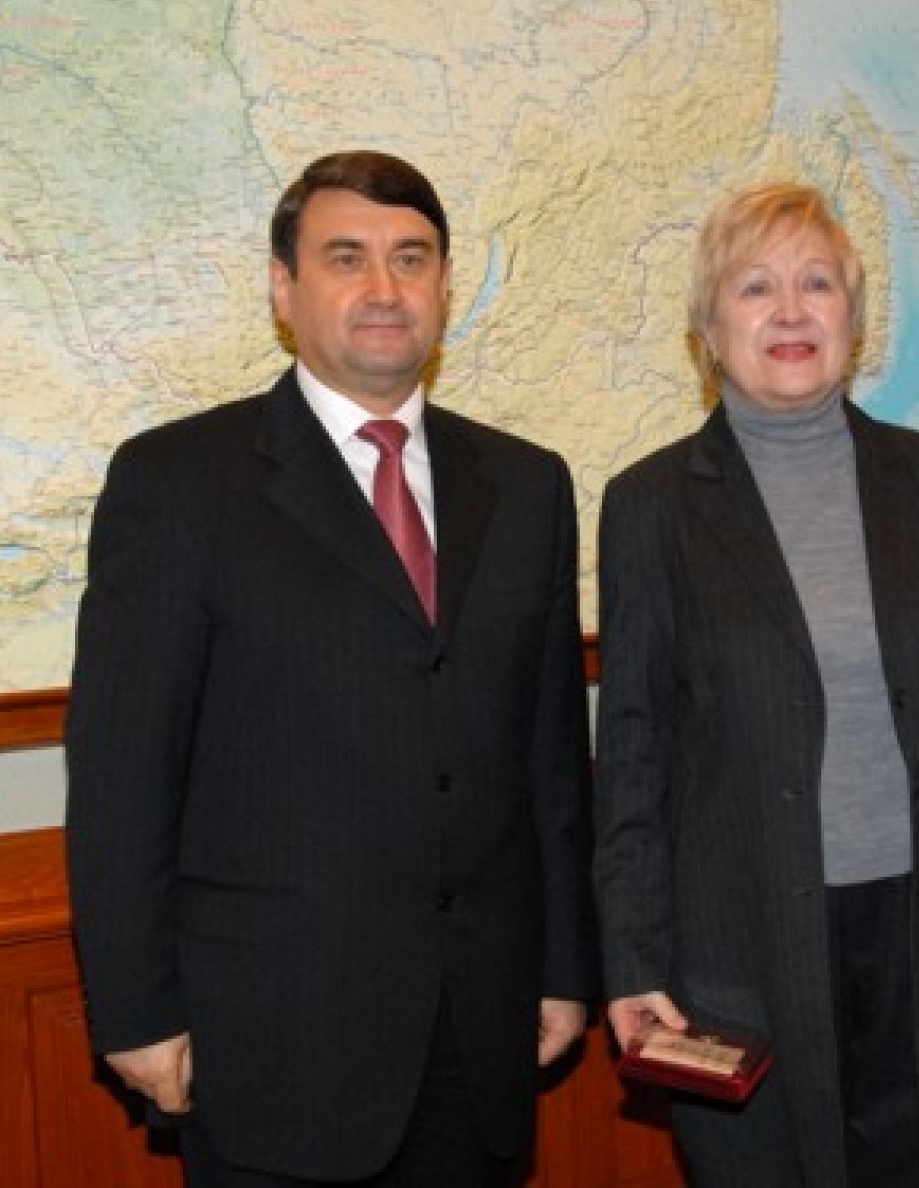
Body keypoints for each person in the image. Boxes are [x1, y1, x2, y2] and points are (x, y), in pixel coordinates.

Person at [65, 150, 596, 1186]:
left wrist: (565, 967)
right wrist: (135, 1009)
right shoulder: (179, 484)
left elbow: (550, 763)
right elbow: (123, 776)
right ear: (284, 286)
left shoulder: (527, 486)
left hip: (479, 1035)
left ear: (445, 285)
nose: (384, 288)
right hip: (273, 1043)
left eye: (412, 258)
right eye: (346, 258)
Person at [593, 181, 919, 1187]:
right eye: (755, 287)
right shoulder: (651, 507)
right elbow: (631, 755)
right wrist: (632, 961)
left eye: (817, 283)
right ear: (708, 330)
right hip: (745, 946)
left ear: (854, 316)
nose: (791, 311)